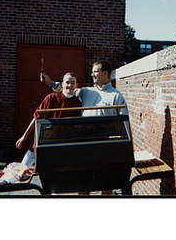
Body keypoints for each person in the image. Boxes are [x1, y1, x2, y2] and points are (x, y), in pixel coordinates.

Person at [41, 61, 128, 195]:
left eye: (95, 71)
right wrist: (50, 83)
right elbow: (66, 89)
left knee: (107, 184)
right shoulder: (86, 91)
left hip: (104, 147)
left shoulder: (116, 96)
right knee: (82, 184)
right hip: (83, 146)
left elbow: (124, 125)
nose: (91, 74)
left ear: (105, 73)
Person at [15, 72, 82, 168]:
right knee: (22, 169)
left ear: (76, 85)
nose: (69, 86)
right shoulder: (51, 98)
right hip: (43, 140)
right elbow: (36, 117)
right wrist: (24, 137)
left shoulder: (77, 103)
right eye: (67, 82)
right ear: (62, 84)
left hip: (60, 146)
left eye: (72, 83)